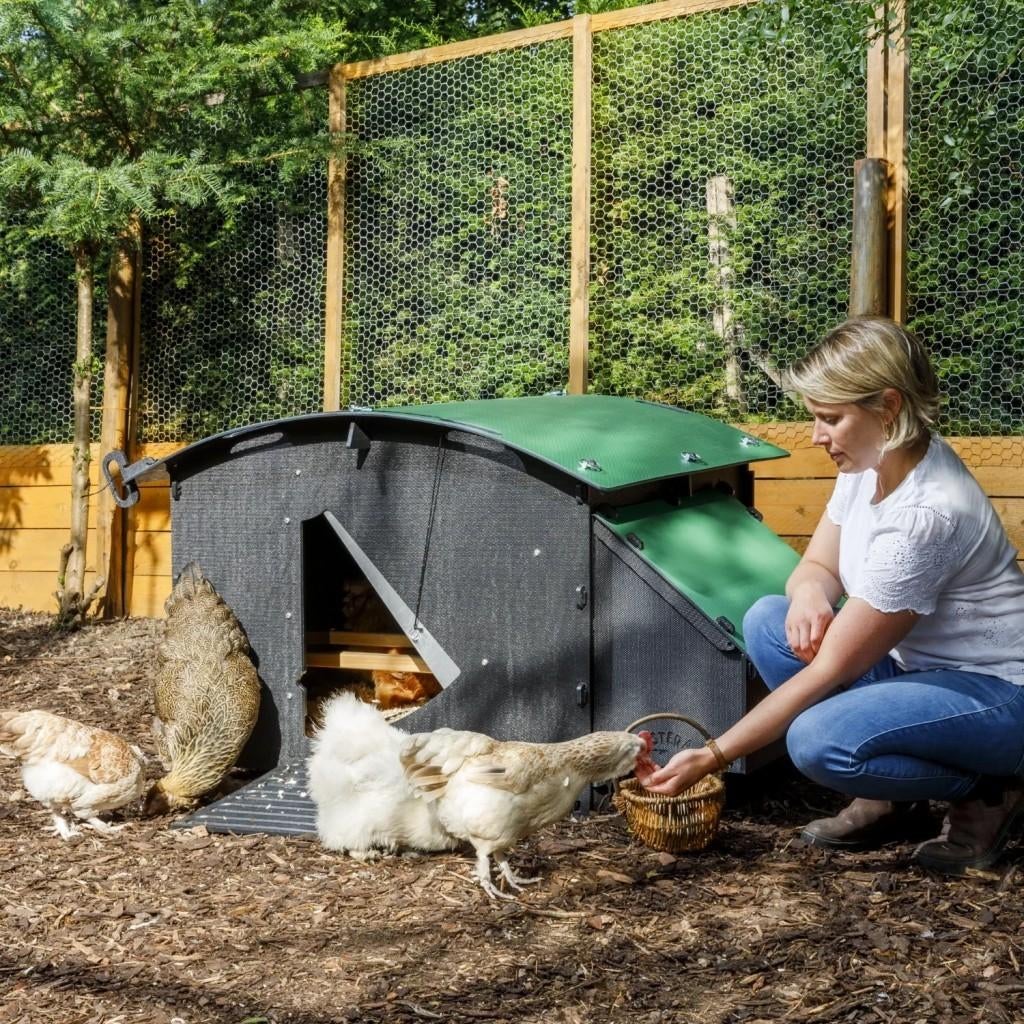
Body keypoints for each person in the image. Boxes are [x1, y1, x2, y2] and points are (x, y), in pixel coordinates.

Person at [638, 316, 1024, 875]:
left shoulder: (926, 514)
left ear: (888, 407)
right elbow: (816, 565)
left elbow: (827, 673)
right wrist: (811, 594)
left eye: (830, 419)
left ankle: (992, 790)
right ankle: (890, 796)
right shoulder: (871, 461)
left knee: (820, 742)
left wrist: (715, 755)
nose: (817, 436)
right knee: (772, 618)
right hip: (921, 674)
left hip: (998, 696)